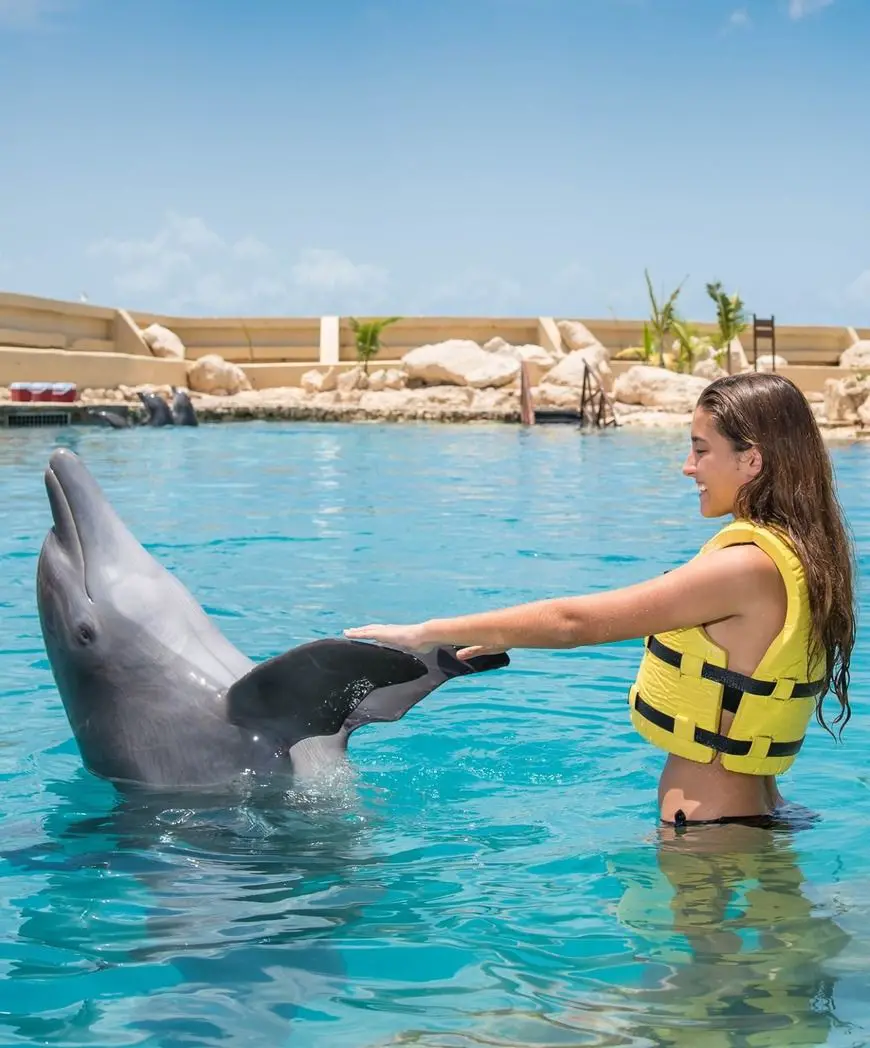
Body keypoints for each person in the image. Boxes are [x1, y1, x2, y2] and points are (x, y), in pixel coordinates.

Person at [345, 372, 857, 827]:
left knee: (685, 940)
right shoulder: (802, 554)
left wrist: (428, 631)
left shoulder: (744, 565)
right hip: (759, 810)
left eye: (701, 450)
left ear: (751, 459)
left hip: (714, 828)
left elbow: (575, 622)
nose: (687, 467)